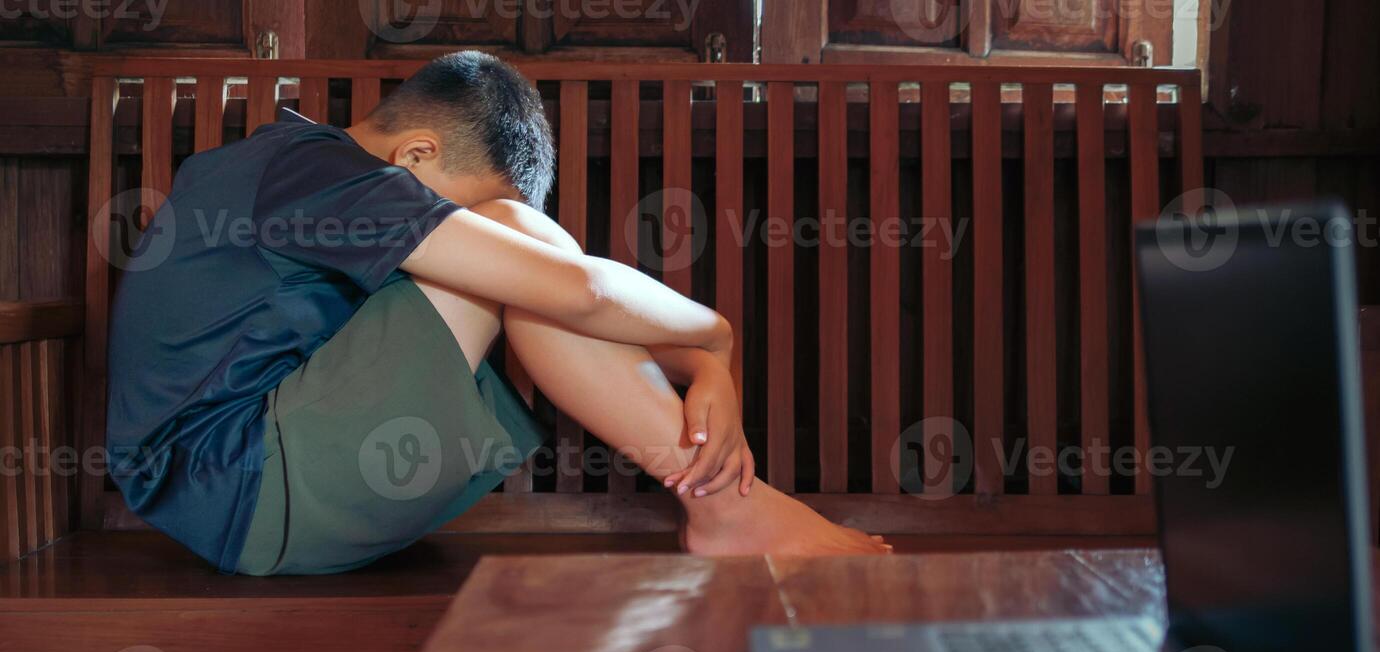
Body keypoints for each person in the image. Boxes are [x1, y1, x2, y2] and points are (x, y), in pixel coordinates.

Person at [107, 51, 890, 576]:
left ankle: (727, 509)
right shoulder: (316, 172)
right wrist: (715, 341)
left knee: (532, 269)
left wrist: (709, 364)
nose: (466, 236)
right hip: (249, 487)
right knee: (526, 257)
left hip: (256, 488)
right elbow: (575, 290)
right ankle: (726, 508)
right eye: (460, 211)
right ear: (414, 155)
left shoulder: (292, 167)